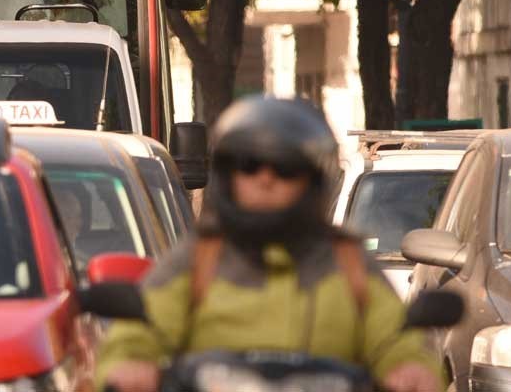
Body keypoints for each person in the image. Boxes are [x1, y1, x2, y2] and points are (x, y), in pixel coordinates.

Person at [97, 96, 441, 392]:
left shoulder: (348, 263)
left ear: (313, 178)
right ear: (228, 175)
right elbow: (138, 333)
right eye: (250, 165)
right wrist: (131, 364)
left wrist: (410, 367)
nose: (265, 178)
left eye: (284, 167)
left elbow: (395, 339)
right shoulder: (197, 260)